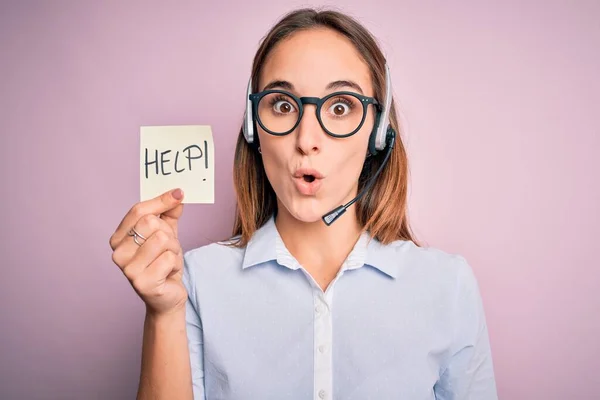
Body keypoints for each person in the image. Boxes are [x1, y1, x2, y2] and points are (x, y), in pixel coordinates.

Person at [109, 8, 498, 400]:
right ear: (252, 128)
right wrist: (163, 312)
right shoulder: (194, 281)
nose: (306, 138)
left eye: (340, 106)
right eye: (282, 105)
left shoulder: (447, 286)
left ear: (378, 133)